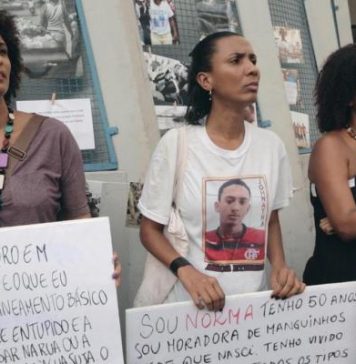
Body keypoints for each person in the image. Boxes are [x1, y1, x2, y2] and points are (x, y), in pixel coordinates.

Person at [138, 31, 305, 311]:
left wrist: (279, 266)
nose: (251, 68)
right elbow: (149, 229)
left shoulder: (271, 146)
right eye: (236, 60)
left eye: (252, 59)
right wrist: (187, 271)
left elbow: (270, 221)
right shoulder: (178, 145)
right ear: (206, 80)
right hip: (190, 309)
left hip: (252, 308)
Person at [0, 10, 121, 286]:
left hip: (40, 308)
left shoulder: (53, 136)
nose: (0, 61)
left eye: (3, 51)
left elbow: (78, 220)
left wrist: (95, 259)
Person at [303, 44, 356, 284]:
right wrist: (344, 219)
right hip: (342, 287)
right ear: (350, 97)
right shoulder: (332, 147)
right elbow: (347, 225)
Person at [205, 179, 265, 271]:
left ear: (248, 209)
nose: (236, 208)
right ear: (217, 206)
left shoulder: (261, 238)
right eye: (229, 201)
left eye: (242, 202)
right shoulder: (205, 239)